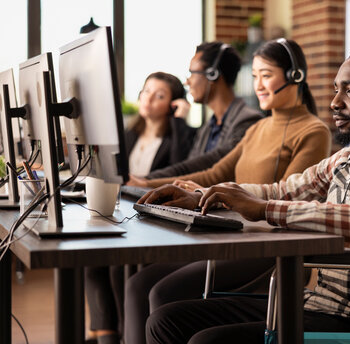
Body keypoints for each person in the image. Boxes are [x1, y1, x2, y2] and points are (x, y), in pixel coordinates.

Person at [141, 45, 350, 344]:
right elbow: (283, 190)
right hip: (317, 303)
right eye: (336, 89)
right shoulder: (347, 158)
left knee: (210, 340)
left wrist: (265, 209)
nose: (335, 102)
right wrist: (209, 196)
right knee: (167, 320)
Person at [124, 38, 332, 344]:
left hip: (266, 245)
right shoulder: (257, 128)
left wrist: (215, 193)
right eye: (255, 76)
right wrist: (147, 185)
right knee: (139, 283)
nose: (259, 85)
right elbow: (214, 173)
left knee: (162, 291)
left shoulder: (313, 131)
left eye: (267, 75)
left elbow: (288, 195)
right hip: (231, 234)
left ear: (295, 77)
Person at [85, 71, 194, 344]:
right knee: (92, 262)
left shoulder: (179, 138)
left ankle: (125, 333)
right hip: (124, 210)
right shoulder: (128, 134)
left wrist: (180, 122)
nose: (149, 99)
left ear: (173, 104)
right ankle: (108, 336)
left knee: (113, 265)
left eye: (160, 95)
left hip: (152, 220)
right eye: (146, 91)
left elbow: (182, 168)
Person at [128, 42, 264, 186]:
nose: (187, 82)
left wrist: (146, 181)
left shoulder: (247, 120)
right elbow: (188, 168)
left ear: (213, 74)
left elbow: (206, 166)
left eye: (192, 73)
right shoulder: (208, 127)